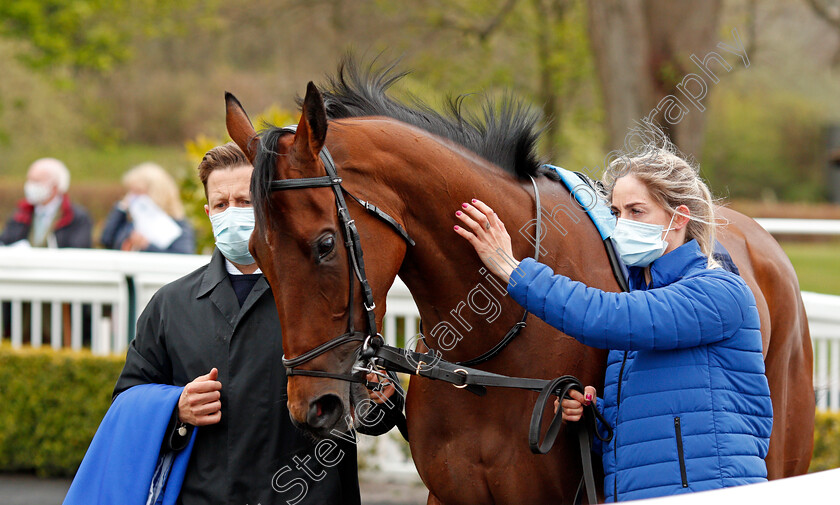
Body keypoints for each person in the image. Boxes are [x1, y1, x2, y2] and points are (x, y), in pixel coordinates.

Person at [453, 144, 773, 502]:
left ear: (679, 218)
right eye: (616, 212)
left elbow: (601, 315)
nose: (623, 225)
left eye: (637, 211)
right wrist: (595, 411)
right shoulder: (643, 301)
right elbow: (660, 409)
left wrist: (512, 268)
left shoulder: (718, 292)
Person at [111, 142, 401, 505]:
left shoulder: (328, 296)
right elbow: (126, 399)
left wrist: (383, 397)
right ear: (207, 212)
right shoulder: (169, 305)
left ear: (268, 205)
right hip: (203, 496)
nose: (232, 212)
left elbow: (377, 413)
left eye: (245, 202)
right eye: (221, 204)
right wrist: (176, 408)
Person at [100, 162, 195, 253]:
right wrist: (121, 208)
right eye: (131, 192)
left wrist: (147, 246)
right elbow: (106, 240)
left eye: (137, 191)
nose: (132, 197)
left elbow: (182, 257)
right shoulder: (131, 223)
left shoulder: (178, 227)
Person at [0, 157, 92, 248]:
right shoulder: (21, 214)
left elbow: (79, 250)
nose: (31, 186)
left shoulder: (76, 217)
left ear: (55, 187)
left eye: (36, 181)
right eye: (29, 180)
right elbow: (5, 242)